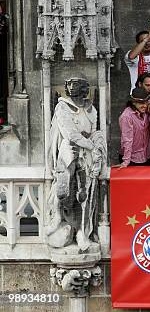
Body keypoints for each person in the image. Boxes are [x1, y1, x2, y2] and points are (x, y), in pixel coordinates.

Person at [47, 76, 106, 251]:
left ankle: (82, 231)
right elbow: (70, 134)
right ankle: (57, 216)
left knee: (86, 192)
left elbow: (93, 130)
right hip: (70, 149)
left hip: (88, 152)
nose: (73, 88)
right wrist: (91, 146)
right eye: (70, 84)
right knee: (64, 186)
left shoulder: (90, 109)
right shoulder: (62, 107)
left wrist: (95, 148)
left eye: (77, 85)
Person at [118, 87, 150, 168]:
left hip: (147, 156)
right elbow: (127, 140)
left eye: (146, 102)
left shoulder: (146, 111)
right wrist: (126, 161)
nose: (144, 105)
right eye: (141, 103)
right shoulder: (126, 116)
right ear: (133, 102)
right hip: (132, 160)